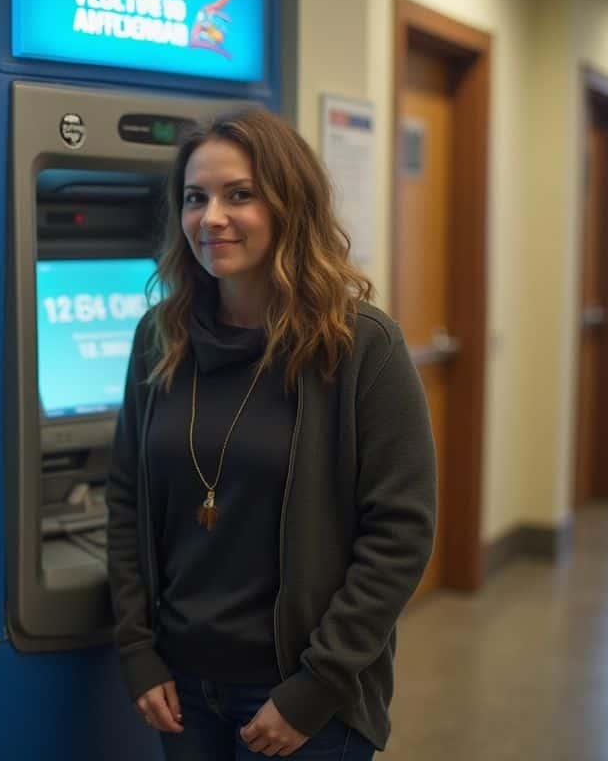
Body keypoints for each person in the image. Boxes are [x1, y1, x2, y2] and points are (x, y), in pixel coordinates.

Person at [106, 109, 436, 759]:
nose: (212, 218)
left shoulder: (359, 346)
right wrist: (138, 651)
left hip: (303, 697)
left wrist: (315, 688)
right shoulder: (159, 338)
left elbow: (401, 535)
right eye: (195, 198)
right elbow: (125, 499)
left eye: (240, 195)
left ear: (291, 205)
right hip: (182, 689)